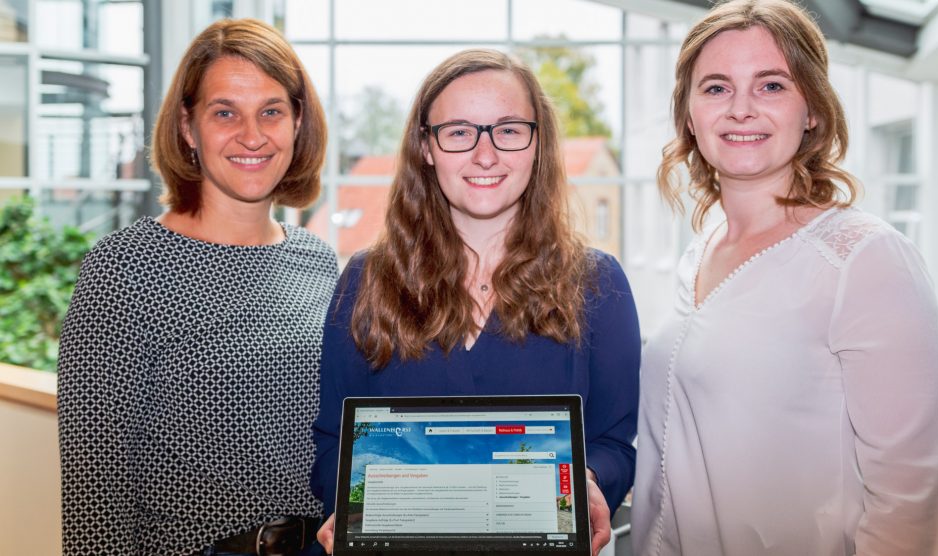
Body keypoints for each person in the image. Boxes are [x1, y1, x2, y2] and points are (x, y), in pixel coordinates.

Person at [631, 1, 938, 555]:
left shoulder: (865, 259)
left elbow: (909, 502)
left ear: (813, 110)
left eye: (772, 85)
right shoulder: (701, 250)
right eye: (715, 88)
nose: (740, 109)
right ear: (688, 115)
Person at [309, 49, 641, 555]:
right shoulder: (365, 281)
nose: (485, 155)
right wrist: (354, 502)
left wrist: (589, 481)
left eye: (508, 129)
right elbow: (335, 442)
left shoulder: (598, 285)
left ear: (538, 144)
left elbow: (614, 443)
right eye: (460, 132)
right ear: (426, 147)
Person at [57, 18, 338, 556]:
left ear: (298, 123)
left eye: (272, 111)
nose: (252, 135)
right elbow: (95, 492)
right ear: (188, 127)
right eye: (225, 112)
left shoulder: (319, 260)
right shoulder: (124, 267)